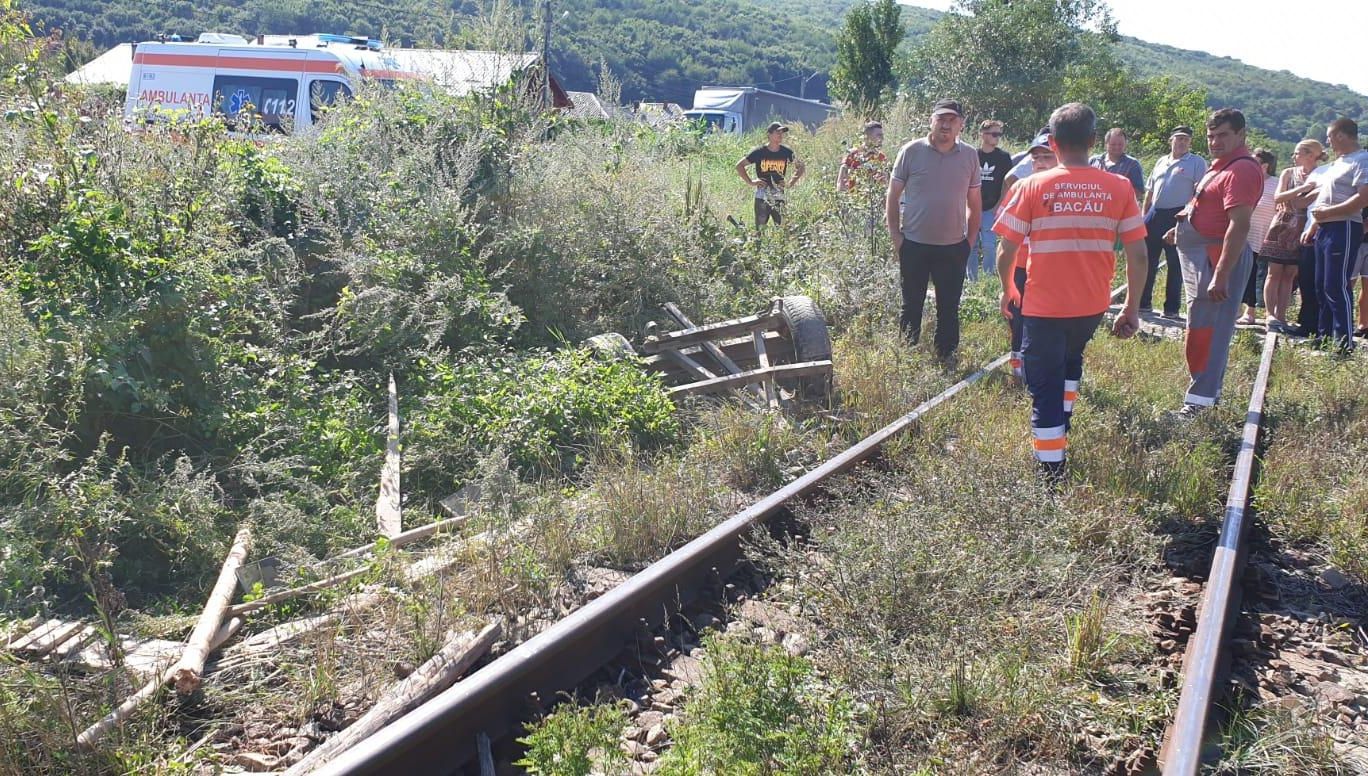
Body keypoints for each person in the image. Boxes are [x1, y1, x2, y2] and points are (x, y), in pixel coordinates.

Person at [993, 103, 1148, 482]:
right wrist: (1130, 307)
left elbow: (1005, 250)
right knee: (1071, 360)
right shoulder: (1120, 186)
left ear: (1054, 143)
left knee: (1043, 386)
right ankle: (1063, 425)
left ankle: (1050, 473)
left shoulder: (1032, 185)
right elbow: (1139, 252)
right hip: (1092, 305)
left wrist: (1008, 287)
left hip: (1044, 306)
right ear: (1093, 142)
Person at [1166, 108, 1263, 416]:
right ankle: (1205, 395)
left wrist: (1220, 275)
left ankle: (1198, 404)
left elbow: (1238, 225)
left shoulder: (1241, 170)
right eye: (1210, 136)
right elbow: (1207, 206)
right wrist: (1182, 227)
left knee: (1209, 331)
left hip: (1216, 260)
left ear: (1241, 134)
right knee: (1200, 327)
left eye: (1222, 135)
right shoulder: (1221, 166)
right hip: (1203, 256)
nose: (1215, 142)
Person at [886, 98, 983, 360]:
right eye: (941, 119)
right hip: (914, 244)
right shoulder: (911, 151)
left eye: (952, 120)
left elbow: (975, 204)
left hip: (953, 246)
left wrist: (969, 241)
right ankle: (907, 356)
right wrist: (896, 236)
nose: (946, 125)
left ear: (961, 125)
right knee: (911, 305)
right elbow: (893, 195)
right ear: (932, 120)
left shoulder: (970, 155)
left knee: (949, 307)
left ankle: (946, 356)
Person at [1303, 117, 1368, 353]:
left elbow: (1363, 197)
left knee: (1336, 285)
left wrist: (1328, 212)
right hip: (1325, 229)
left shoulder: (1362, 159)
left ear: (1341, 135)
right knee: (1321, 285)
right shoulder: (1338, 163)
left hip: (1345, 227)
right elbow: (1323, 198)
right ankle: (1325, 336)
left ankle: (1343, 343)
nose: (1328, 142)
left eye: (1329, 137)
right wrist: (1313, 226)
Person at [998, 131, 1056, 379]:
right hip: (1021, 263)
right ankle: (1018, 362)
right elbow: (1006, 237)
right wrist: (1006, 282)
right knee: (1017, 315)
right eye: (1036, 158)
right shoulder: (1021, 188)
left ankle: (1047, 363)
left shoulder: (1068, 192)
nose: (1040, 163)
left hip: (1053, 267)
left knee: (1047, 318)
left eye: (1047, 156)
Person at [1141, 127, 1209, 318]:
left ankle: (1171, 309)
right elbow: (1150, 191)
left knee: (1175, 263)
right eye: (1178, 139)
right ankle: (1143, 303)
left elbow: (1198, 193)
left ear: (1190, 143)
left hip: (1178, 214)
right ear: (1171, 140)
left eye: (1186, 140)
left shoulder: (1196, 162)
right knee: (1147, 260)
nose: (1181, 143)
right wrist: (1144, 216)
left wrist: (1186, 216)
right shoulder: (1162, 161)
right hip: (1155, 213)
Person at [1260, 139, 1327, 334]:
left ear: (1310, 155)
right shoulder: (1289, 173)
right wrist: (1302, 190)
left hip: (1302, 226)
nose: (1294, 156)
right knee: (1274, 271)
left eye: (1297, 153)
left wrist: (1297, 198)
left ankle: (1281, 315)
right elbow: (1279, 197)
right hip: (1282, 224)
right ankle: (1269, 314)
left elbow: (1302, 204)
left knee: (1290, 274)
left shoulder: (1321, 174)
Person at [736, 122, 805, 230]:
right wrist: (751, 182)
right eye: (777, 132)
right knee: (760, 229)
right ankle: (758, 246)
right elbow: (739, 166)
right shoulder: (759, 152)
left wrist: (790, 183)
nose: (780, 135)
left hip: (779, 195)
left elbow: (801, 166)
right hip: (762, 195)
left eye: (782, 132)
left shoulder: (786, 152)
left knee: (782, 228)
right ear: (769, 134)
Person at [1238, 149, 1279, 325]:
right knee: (1242, 272)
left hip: (1266, 234)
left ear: (1265, 165)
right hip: (1245, 233)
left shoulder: (1276, 183)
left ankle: (1252, 311)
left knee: (1259, 274)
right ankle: (1237, 309)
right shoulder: (1246, 181)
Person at [970, 119, 1012, 282]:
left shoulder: (1003, 157)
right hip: (971, 207)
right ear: (983, 134)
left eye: (999, 134)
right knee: (971, 245)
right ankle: (971, 280)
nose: (997, 137)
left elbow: (1007, 183)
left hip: (991, 208)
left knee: (989, 245)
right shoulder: (973, 155)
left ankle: (988, 279)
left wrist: (999, 205)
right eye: (994, 134)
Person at [1089, 127, 1145, 200]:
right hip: (1094, 207)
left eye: (1120, 144)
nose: (1117, 147)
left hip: (1120, 209)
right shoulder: (1093, 161)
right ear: (1106, 144)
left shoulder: (1133, 164)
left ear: (1125, 144)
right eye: (1113, 144)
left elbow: (1138, 192)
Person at [837, 121, 887, 194]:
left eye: (882, 135)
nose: (882, 138)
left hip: (874, 201)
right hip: (854, 201)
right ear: (867, 136)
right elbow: (840, 183)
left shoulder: (881, 157)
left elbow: (884, 183)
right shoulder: (852, 155)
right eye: (879, 135)